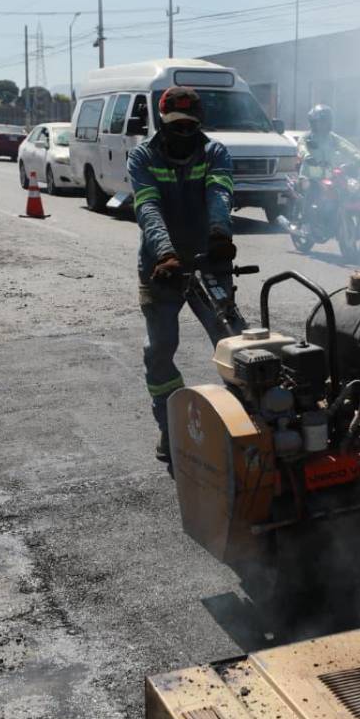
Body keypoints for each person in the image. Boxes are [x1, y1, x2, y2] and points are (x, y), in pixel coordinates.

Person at [129, 86, 240, 461]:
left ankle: (245, 425)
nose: (183, 131)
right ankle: (168, 427)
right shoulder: (143, 156)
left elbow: (219, 194)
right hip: (162, 268)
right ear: (163, 121)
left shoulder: (215, 153)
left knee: (233, 341)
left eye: (189, 124)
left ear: (199, 122)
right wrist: (165, 254)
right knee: (159, 350)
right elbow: (148, 207)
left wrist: (220, 234)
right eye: (176, 124)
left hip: (210, 259)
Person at [296, 104, 360, 199]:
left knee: (344, 194)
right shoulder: (306, 137)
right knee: (308, 195)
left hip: (329, 177)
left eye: (326, 122)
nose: (323, 125)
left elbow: (347, 147)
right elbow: (301, 147)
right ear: (313, 123)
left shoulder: (333, 138)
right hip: (309, 177)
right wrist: (307, 156)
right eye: (321, 122)